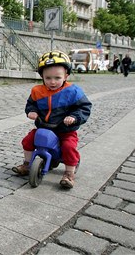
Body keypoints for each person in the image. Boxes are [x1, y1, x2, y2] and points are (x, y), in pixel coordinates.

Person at [12, 51, 92, 188]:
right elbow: (31, 104)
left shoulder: (73, 91)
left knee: (69, 146)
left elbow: (84, 107)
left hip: (65, 130)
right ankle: (27, 164)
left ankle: (69, 174)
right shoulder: (37, 91)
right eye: (48, 78)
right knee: (28, 140)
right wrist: (31, 111)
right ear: (42, 76)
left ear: (66, 75)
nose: (52, 82)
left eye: (57, 77)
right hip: (44, 126)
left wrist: (74, 117)